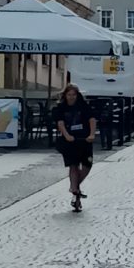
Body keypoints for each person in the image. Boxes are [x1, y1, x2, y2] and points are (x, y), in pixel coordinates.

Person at [53, 80, 95, 210]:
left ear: (77, 96)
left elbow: (92, 119)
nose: (71, 97)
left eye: (74, 95)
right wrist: (66, 135)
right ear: (65, 95)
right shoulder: (61, 108)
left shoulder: (83, 106)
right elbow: (60, 123)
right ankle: (75, 191)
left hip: (84, 139)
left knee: (87, 165)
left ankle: (74, 186)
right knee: (73, 165)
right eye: (69, 94)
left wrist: (92, 134)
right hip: (70, 141)